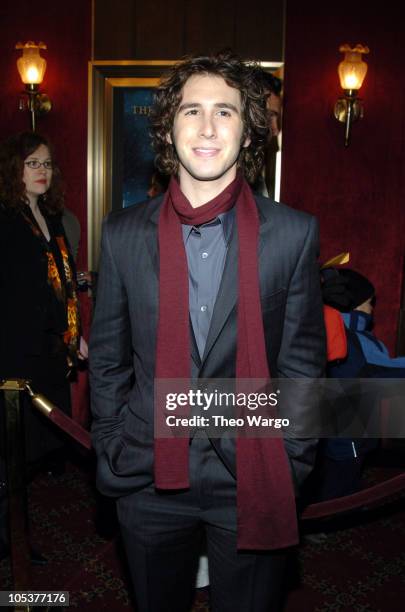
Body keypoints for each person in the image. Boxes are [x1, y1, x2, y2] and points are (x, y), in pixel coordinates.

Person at [90, 52, 325, 612]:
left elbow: (302, 366)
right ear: (170, 128)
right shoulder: (122, 235)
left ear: (248, 133)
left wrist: (291, 458)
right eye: (191, 110)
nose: (207, 126)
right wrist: (114, 442)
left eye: (226, 111)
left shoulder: (293, 234)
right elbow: (107, 359)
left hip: (252, 468)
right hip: (147, 468)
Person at [0, 132, 86, 558]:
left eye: (47, 164)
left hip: (50, 351)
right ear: (13, 168)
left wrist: (76, 335)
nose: (41, 171)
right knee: (12, 454)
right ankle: (10, 540)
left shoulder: (52, 217)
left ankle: (13, 531)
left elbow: (63, 285)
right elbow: (21, 293)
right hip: (15, 353)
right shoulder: (6, 218)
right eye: (32, 163)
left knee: (35, 452)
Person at [313, 268, 405, 500]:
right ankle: (332, 518)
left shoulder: (330, 329)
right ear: (353, 304)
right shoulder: (355, 339)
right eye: (369, 302)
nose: (372, 308)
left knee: (331, 472)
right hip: (349, 429)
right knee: (342, 480)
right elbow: (384, 372)